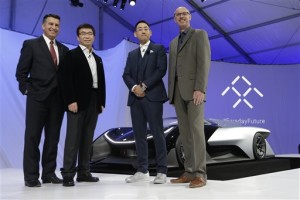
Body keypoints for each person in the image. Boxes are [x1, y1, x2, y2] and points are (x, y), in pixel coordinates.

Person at [15, 14, 69, 187]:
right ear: (43, 26)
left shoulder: (63, 49)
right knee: (33, 138)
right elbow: (21, 72)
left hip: (57, 101)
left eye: (57, 25)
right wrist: (27, 90)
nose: (54, 27)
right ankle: (31, 176)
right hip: (37, 98)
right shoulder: (31, 45)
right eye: (51, 24)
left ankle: (48, 174)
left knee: (52, 139)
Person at [168, 7, 211, 188]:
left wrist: (200, 88)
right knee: (185, 134)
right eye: (178, 15)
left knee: (196, 132)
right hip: (177, 92)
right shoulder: (173, 42)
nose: (181, 16)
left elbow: (204, 62)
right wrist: (171, 92)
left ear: (190, 17)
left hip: (194, 92)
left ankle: (200, 174)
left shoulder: (200, 34)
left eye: (184, 13)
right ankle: (189, 171)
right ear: (175, 19)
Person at [58, 23, 106, 187]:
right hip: (76, 102)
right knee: (72, 139)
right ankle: (68, 174)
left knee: (87, 138)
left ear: (93, 36)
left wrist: (101, 102)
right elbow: (65, 80)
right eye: (83, 33)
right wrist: (70, 100)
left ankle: (84, 172)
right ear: (78, 37)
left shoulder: (97, 59)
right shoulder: (71, 55)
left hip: (94, 101)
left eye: (90, 33)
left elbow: (101, 82)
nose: (87, 36)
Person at [122, 20, 168, 184]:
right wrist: (135, 87)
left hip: (153, 97)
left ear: (150, 33)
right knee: (139, 134)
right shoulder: (131, 54)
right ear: (135, 34)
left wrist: (144, 86)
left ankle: (162, 171)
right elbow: (126, 75)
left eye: (146, 29)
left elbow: (161, 70)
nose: (143, 31)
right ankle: (142, 169)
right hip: (136, 98)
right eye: (139, 29)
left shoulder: (158, 49)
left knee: (157, 133)